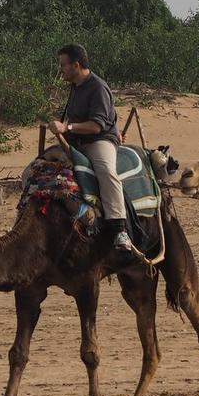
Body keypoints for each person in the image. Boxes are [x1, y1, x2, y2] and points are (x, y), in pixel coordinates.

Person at [47, 43, 132, 251]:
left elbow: (96, 125)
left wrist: (66, 126)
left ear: (76, 65)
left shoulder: (98, 87)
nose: (61, 70)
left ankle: (119, 229)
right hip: (76, 141)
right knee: (40, 166)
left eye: (63, 65)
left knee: (106, 171)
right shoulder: (75, 87)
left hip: (98, 140)